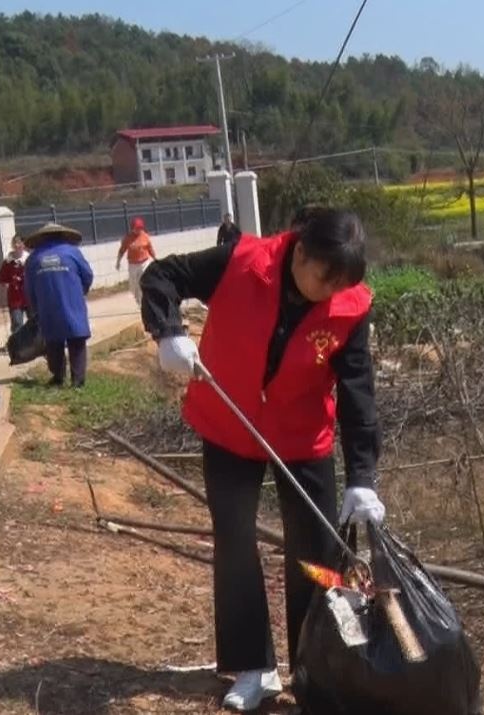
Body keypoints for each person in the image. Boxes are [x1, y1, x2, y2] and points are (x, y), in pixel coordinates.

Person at [140, 208, 383, 712]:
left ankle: (312, 669)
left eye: (340, 285)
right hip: (230, 424)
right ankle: (255, 667)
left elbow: (358, 393)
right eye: (324, 278)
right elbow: (163, 275)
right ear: (300, 254)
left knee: (315, 554)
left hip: (301, 436)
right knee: (234, 539)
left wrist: (363, 477)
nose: (328, 292)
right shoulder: (242, 261)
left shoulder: (350, 308)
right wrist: (168, 330)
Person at [24, 223, 94, 388]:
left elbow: (29, 288)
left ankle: (58, 377)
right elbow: (88, 275)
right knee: (76, 340)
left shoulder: (33, 259)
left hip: (46, 305)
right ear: (63, 236)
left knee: (53, 342)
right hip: (72, 301)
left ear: (40, 239)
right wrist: (80, 291)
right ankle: (78, 380)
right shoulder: (72, 252)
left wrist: (34, 307)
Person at [116, 217, 156, 306]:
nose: (139, 230)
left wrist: (155, 259)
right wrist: (118, 262)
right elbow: (122, 250)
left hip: (144, 263)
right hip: (133, 264)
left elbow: (150, 249)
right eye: (137, 228)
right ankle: (137, 297)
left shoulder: (145, 236)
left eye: (140, 228)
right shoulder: (127, 238)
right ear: (132, 228)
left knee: (142, 282)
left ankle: (142, 302)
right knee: (133, 284)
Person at [0, 234, 30, 332]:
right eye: (14, 242)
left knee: (34, 322)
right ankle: (17, 346)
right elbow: (1, 279)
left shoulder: (29, 259)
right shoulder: (8, 262)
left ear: (24, 244)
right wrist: (0, 297)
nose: (17, 245)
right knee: (17, 323)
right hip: (15, 298)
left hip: (30, 296)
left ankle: (36, 345)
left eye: (19, 242)